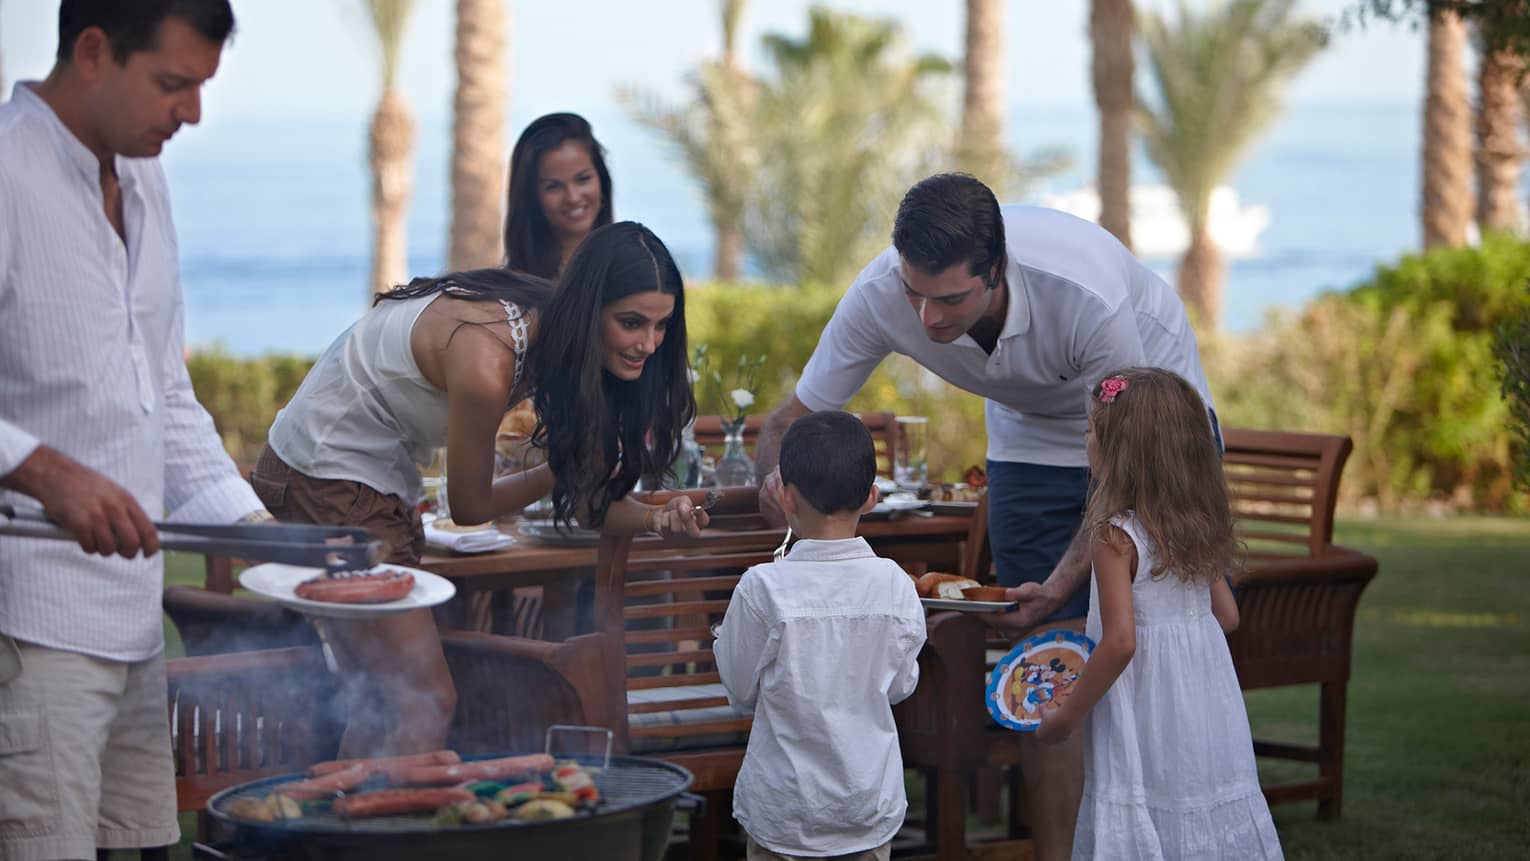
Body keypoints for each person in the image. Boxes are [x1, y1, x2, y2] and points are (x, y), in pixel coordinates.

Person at [753, 172, 1217, 860]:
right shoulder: (884, 295)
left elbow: (1125, 469)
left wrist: (1063, 581)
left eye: (950, 299)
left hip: (1149, 418)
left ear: (996, 270)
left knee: (1152, 647)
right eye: (916, 293)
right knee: (1047, 661)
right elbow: (789, 421)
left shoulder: (1083, 293)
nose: (929, 319)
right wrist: (785, 516)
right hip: (1030, 436)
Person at [254, 221, 707, 757]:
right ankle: (362, 836)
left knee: (387, 703)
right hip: (324, 478)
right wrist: (557, 471)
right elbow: (469, 508)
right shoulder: (487, 357)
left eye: (661, 327)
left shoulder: (558, 336)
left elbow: (588, 501)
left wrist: (657, 518)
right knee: (420, 700)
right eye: (631, 323)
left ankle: (339, 833)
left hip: (355, 479)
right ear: (591, 309)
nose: (648, 345)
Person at [0, 2, 265, 859]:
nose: (191, 113)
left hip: (134, 624)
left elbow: (164, 393)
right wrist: (43, 470)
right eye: (172, 83)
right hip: (30, 629)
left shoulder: (147, 176)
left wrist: (274, 541)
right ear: (92, 52)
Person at [1035, 368, 1281, 859]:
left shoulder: (1113, 537)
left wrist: (1064, 718)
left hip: (1144, 707)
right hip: (1200, 706)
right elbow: (1226, 616)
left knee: (1145, 801)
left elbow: (1121, 641)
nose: (1085, 440)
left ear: (1117, 449)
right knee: (1196, 800)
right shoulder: (1195, 524)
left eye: (1090, 430)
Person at [714, 411, 926, 861]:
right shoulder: (896, 585)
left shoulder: (761, 587)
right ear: (872, 496)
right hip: (867, 807)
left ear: (786, 499)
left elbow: (738, 687)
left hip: (784, 812)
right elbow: (901, 686)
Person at [503, 111, 613, 279]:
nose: (573, 197)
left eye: (583, 179)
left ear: (602, 180)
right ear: (531, 197)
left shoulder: (636, 266)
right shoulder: (511, 289)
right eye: (553, 187)